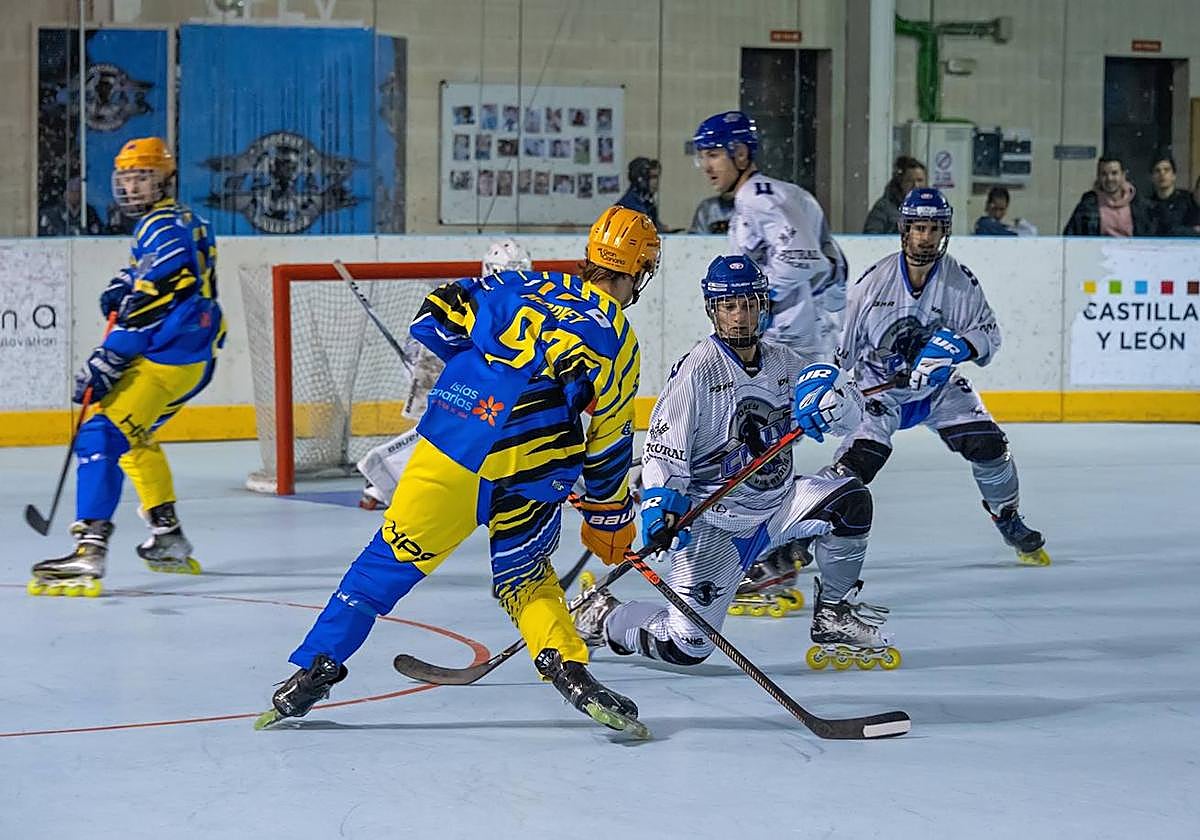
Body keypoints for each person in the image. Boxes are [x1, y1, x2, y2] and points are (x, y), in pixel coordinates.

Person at [256, 207, 661, 737]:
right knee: (527, 576)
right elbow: (610, 439)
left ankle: (312, 671)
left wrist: (481, 369)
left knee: (380, 569)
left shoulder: (522, 286)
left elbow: (434, 313)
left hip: (453, 439)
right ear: (639, 272)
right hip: (532, 466)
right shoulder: (619, 338)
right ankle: (572, 672)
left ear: (590, 258)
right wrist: (609, 518)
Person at [573, 255, 900, 671]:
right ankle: (603, 616)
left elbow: (849, 408)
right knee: (686, 646)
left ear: (763, 307)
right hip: (716, 523)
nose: (741, 315)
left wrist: (834, 404)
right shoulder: (697, 372)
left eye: (749, 304)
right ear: (714, 310)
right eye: (730, 305)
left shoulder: (785, 362)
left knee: (850, 500)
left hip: (780, 505)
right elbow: (662, 450)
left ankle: (833, 612)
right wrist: (660, 507)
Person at [28, 137, 224, 596]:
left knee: (99, 436)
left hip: (168, 354)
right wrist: (121, 284)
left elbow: (158, 294)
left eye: (143, 175)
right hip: (191, 353)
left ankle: (88, 551)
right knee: (133, 440)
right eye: (126, 177)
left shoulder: (163, 226)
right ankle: (168, 537)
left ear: (166, 178)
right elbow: (145, 277)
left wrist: (110, 356)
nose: (132, 186)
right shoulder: (177, 220)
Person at [831, 187, 1050, 566]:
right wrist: (835, 392)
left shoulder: (959, 281)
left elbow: (988, 335)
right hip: (878, 391)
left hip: (937, 390)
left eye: (933, 229)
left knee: (990, 446)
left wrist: (958, 347)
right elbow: (840, 354)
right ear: (904, 230)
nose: (925, 237)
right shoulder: (872, 285)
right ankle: (805, 528)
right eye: (918, 228)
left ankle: (1008, 516)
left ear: (943, 232)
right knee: (857, 464)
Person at [692, 109, 849, 595]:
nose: (706, 165)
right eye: (703, 155)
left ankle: (770, 556)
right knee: (759, 447)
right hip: (792, 334)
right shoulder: (775, 195)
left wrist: (761, 305)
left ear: (742, 154)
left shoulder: (759, 196)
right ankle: (779, 550)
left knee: (749, 448)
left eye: (714, 153)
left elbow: (805, 255)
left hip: (782, 341)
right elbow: (833, 266)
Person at [356, 238, 533, 509]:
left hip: (474, 380)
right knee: (452, 430)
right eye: (509, 273)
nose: (515, 280)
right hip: (437, 372)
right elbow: (425, 338)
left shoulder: (521, 301)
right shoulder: (470, 297)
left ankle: (382, 479)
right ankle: (381, 478)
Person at [1063, 155, 1153, 236]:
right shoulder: (1088, 205)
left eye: (1114, 173)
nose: (1109, 178)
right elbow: (1070, 236)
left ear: (1123, 175)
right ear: (1098, 176)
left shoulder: (1140, 205)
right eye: (1104, 174)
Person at [863, 156, 926, 234]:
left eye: (920, 180)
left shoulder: (932, 208)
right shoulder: (884, 208)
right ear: (901, 182)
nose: (915, 185)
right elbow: (870, 238)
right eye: (909, 181)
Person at [1146, 156, 1200, 236]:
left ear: (1174, 175)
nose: (1162, 174)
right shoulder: (1146, 205)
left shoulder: (1189, 200)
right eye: (1157, 171)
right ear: (1152, 177)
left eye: (1166, 170)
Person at [38, 175, 105, 236]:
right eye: (71, 190)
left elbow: (97, 234)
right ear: (65, 193)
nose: (74, 194)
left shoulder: (90, 213)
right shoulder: (52, 213)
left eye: (77, 191)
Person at [973, 186, 1037, 236]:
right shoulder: (984, 224)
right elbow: (1029, 233)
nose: (997, 214)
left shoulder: (1002, 228)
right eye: (994, 209)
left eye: (1001, 209)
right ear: (987, 206)